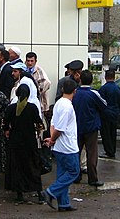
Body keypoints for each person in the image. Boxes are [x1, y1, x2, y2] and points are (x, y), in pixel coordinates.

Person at [41, 79, 80, 212]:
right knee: (74, 171)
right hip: (68, 146)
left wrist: (52, 139)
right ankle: (50, 192)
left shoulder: (58, 103)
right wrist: (53, 139)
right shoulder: (67, 106)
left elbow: (53, 124)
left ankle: (64, 203)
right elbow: (60, 128)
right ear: (75, 91)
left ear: (62, 89)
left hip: (59, 146)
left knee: (62, 173)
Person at [3, 84, 44, 204]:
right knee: (32, 167)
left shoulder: (11, 108)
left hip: (15, 142)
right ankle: (39, 193)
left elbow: (5, 123)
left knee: (17, 167)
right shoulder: (32, 108)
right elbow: (39, 123)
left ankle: (19, 194)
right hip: (29, 141)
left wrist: (7, 131)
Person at [72, 70, 107, 187]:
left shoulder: (75, 93)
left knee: (77, 152)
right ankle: (93, 178)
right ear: (91, 81)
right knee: (91, 153)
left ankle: (76, 176)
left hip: (77, 126)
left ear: (80, 80)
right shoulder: (93, 93)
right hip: (91, 126)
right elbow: (104, 105)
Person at [98, 69, 120, 159]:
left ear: (105, 77)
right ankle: (113, 150)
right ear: (114, 77)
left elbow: (100, 102)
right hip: (115, 113)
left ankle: (108, 151)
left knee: (106, 134)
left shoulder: (103, 89)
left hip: (105, 114)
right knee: (113, 133)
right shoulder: (118, 88)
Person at [25, 52, 51, 116]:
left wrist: (35, 92)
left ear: (35, 61)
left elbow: (47, 83)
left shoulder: (39, 71)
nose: (30, 63)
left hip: (39, 102)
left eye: (32, 61)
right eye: (28, 61)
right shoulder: (24, 69)